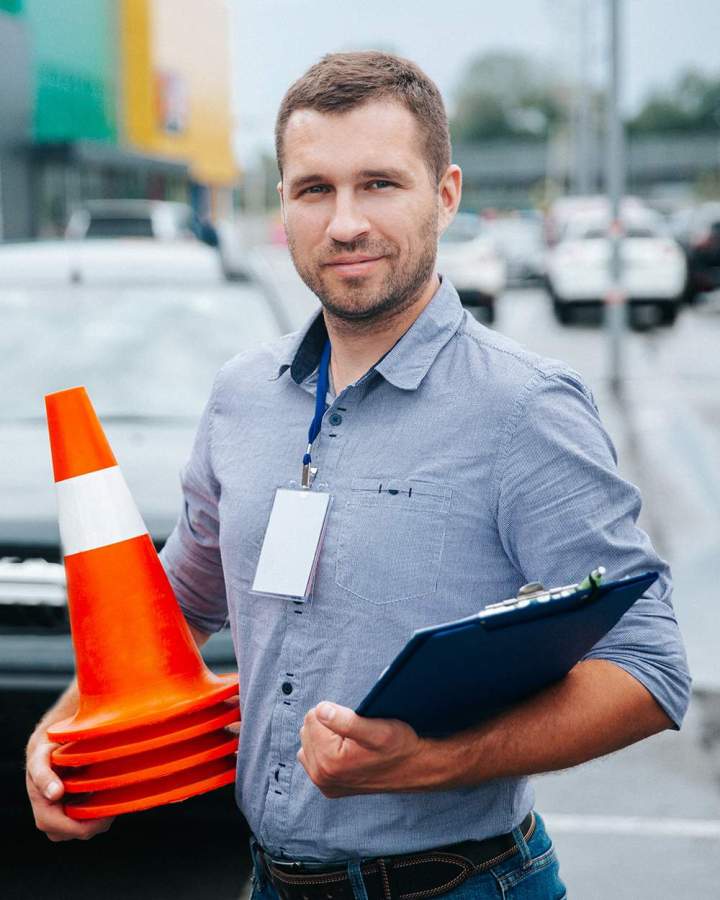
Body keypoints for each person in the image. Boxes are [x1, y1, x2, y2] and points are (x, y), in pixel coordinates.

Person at [27, 51, 690, 898]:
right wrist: (60, 735)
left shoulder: (525, 409)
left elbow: (649, 668)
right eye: (315, 189)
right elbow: (173, 613)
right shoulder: (241, 398)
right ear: (283, 206)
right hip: (270, 881)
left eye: (379, 184)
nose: (344, 223)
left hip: (462, 884)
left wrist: (434, 762)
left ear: (445, 195)